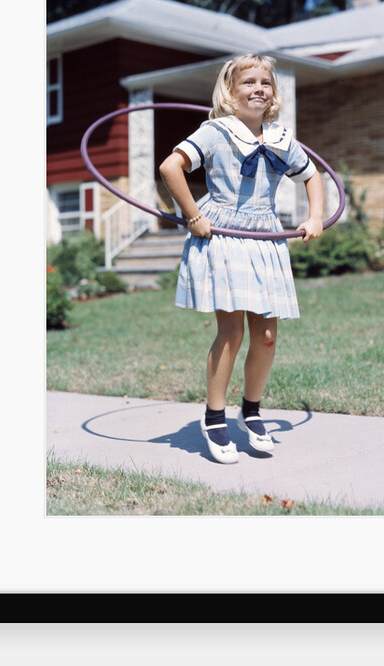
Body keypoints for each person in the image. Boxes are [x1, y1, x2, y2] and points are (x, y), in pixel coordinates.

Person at [159, 54, 324, 464]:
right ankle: (215, 416)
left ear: (273, 93)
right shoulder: (216, 132)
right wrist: (192, 215)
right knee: (231, 332)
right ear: (230, 92)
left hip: (264, 235)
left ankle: (251, 410)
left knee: (267, 336)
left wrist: (315, 215)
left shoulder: (281, 138)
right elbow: (170, 167)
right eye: (248, 82)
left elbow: (313, 175)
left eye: (265, 82)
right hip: (224, 234)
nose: (258, 89)